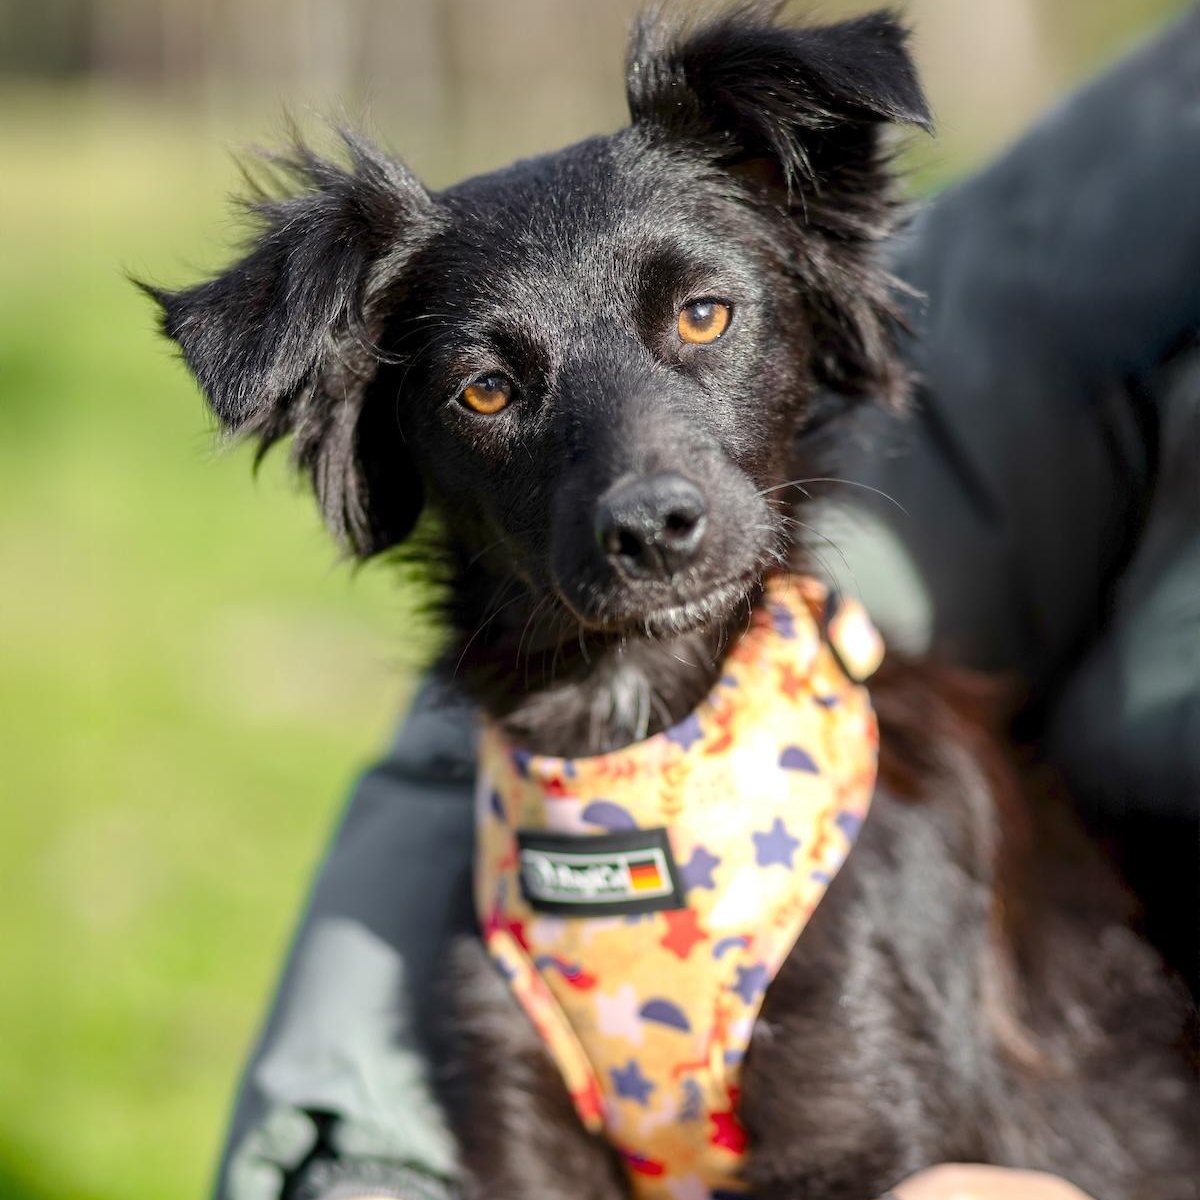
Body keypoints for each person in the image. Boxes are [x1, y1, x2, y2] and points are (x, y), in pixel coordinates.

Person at [211, 8, 1200, 1200]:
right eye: (489, 390)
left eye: (700, 318)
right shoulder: (509, 890)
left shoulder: (854, 831)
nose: (644, 488)